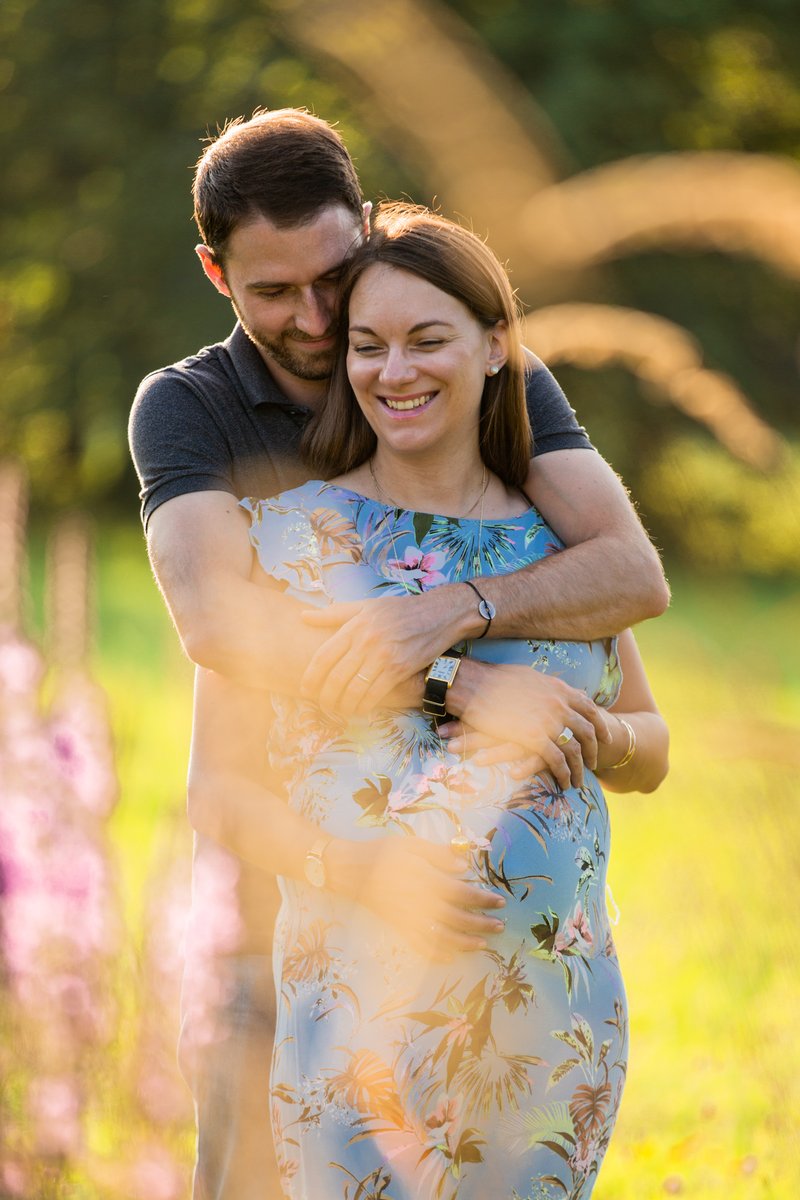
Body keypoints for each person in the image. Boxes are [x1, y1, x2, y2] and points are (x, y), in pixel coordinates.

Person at [128, 109, 669, 1198]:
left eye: (331, 279)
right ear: (213, 272)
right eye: (269, 292)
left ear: (366, 228)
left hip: (527, 993)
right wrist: (451, 683)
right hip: (297, 909)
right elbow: (217, 626)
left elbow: (625, 575)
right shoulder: (192, 413)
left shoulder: (460, 348)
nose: (320, 324)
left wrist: (460, 607)